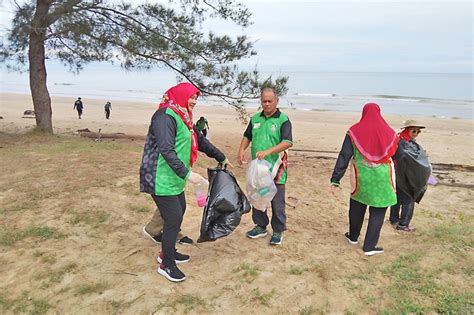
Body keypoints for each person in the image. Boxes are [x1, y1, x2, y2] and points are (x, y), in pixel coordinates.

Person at [139, 82, 231, 282]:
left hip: (174, 179)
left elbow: (200, 141)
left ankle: (167, 252)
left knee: (178, 212)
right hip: (159, 177)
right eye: (191, 97)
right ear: (180, 95)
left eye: (196, 98)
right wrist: (188, 175)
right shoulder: (164, 116)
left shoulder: (184, 117)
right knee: (173, 218)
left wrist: (221, 156)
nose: (194, 101)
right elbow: (166, 150)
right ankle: (166, 265)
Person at [330, 103, 400, 256]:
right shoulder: (389, 132)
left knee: (357, 206)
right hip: (382, 178)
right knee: (378, 211)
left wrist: (336, 179)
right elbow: (397, 154)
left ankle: (353, 237)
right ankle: (369, 246)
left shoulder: (354, 132)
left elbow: (344, 155)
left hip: (361, 177)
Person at [237, 87, 293, 246]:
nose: (267, 104)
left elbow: (287, 142)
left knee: (277, 200)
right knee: (258, 195)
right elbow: (247, 136)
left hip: (276, 167)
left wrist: (269, 151)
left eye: (270, 101)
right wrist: (241, 149)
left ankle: (278, 230)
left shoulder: (283, 120)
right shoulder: (255, 119)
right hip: (259, 169)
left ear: (277, 101)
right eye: (264, 101)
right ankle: (260, 226)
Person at [389, 120, 426, 232]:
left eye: (418, 131)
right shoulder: (404, 142)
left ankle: (393, 219)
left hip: (398, 172)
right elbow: (407, 157)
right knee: (409, 199)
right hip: (405, 174)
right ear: (406, 130)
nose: (416, 133)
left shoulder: (400, 139)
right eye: (414, 131)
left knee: (397, 197)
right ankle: (403, 224)